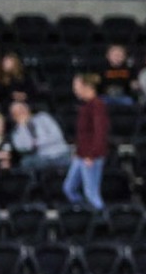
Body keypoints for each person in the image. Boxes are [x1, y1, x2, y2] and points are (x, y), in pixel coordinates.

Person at [64, 74, 109, 211]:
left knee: (91, 194)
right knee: (69, 188)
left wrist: (92, 154)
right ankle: (87, 214)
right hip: (81, 155)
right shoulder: (87, 106)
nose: (75, 90)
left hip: (91, 156)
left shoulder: (97, 106)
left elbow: (100, 132)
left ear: (86, 87)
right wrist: (78, 152)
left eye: (76, 86)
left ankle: (104, 222)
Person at [9, 99, 70, 170]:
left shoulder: (43, 117)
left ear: (27, 108)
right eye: (17, 112)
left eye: (21, 109)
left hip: (59, 153)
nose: (21, 113)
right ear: (13, 117)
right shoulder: (17, 132)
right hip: (41, 159)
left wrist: (36, 143)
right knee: (26, 162)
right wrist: (22, 127)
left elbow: (57, 136)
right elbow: (24, 147)